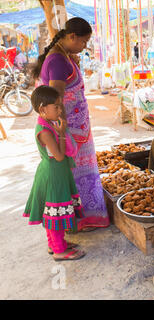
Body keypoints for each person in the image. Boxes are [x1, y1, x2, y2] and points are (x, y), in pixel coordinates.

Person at [31, 17, 109, 232]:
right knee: (74, 174)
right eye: (83, 42)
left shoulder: (64, 55)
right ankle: (77, 221)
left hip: (76, 129)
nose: (84, 46)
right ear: (72, 37)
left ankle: (78, 220)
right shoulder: (57, 60)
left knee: (79, 173)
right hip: (69, 131)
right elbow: (56, 98)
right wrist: (62, 131)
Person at [23, 85, 86, 261]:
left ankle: (55, 244)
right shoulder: (44, 131)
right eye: (56, 106)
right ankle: (59, 251)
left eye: (60, 105)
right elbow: (58, 156)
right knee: (55, 213)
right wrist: (62, 134)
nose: (60, 109)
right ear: (43, 109)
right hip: (53, 175)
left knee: (54, 212)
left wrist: (59, 131)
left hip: (57, 173)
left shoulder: (48, 123)